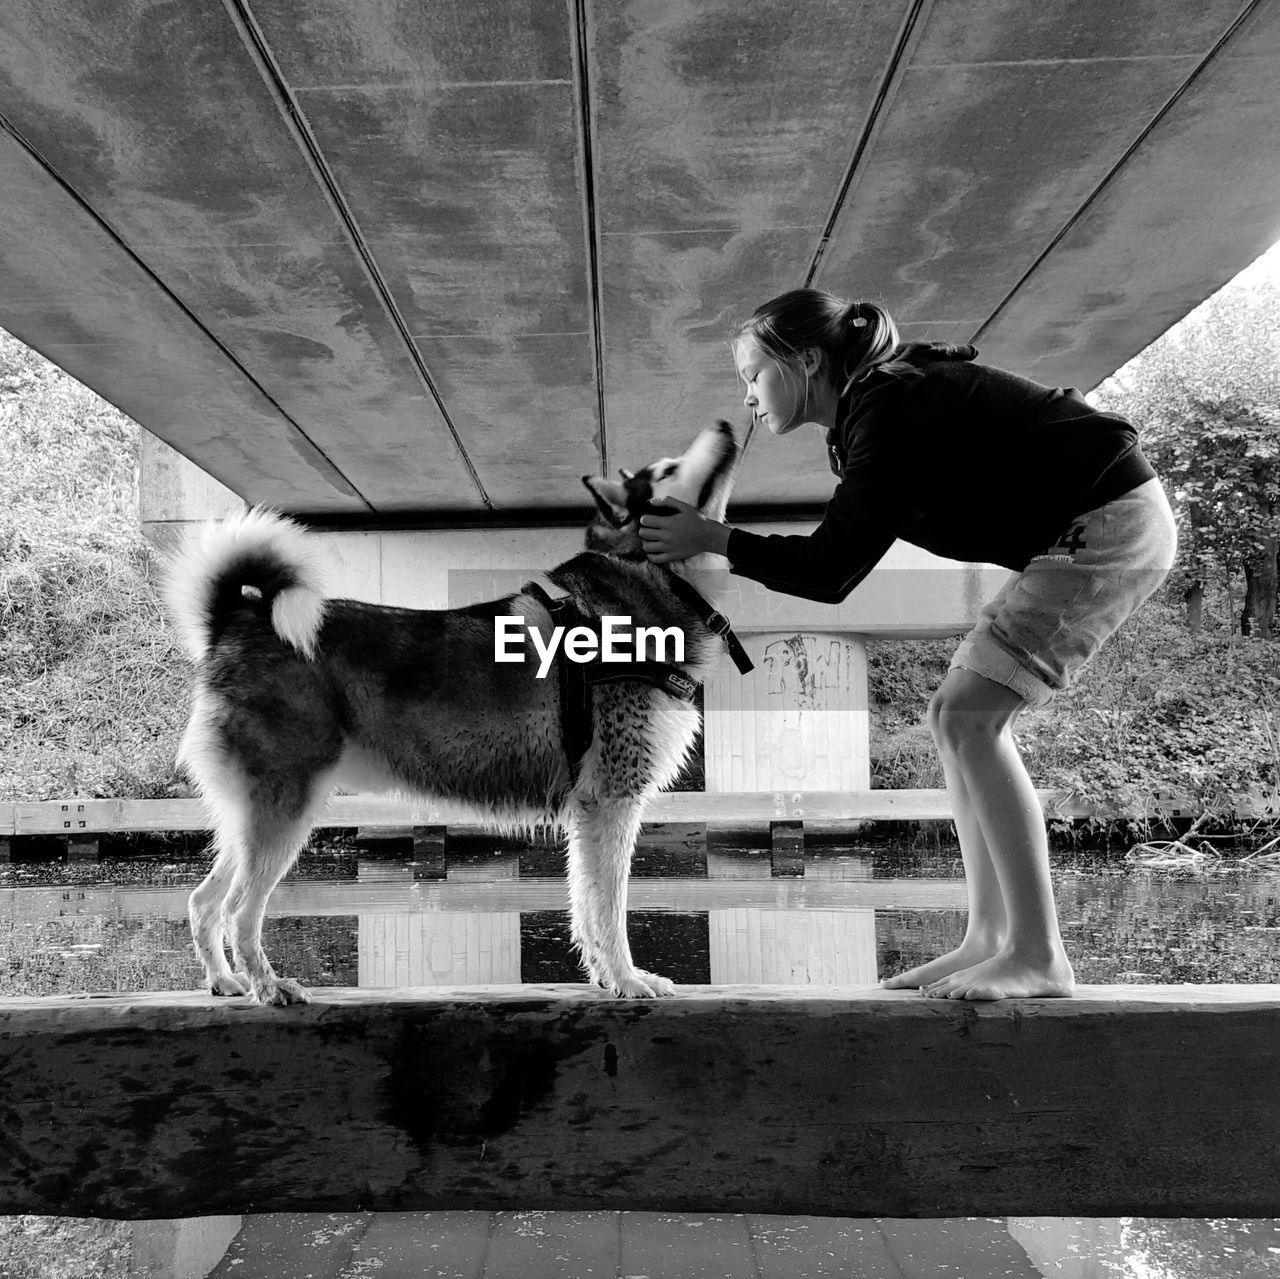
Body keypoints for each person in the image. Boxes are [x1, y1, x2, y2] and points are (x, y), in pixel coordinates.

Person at [639, 288, 1177, 1001]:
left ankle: (1041, 954)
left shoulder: (888, 408)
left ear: (803, 361)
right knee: (954, 718)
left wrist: (714, 540)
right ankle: (988, 937)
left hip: (1107, 524)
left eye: (751, 374)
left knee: (968, 717)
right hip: (1089, 524)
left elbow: (831, 572)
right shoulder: (876, 409)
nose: (746, 397)